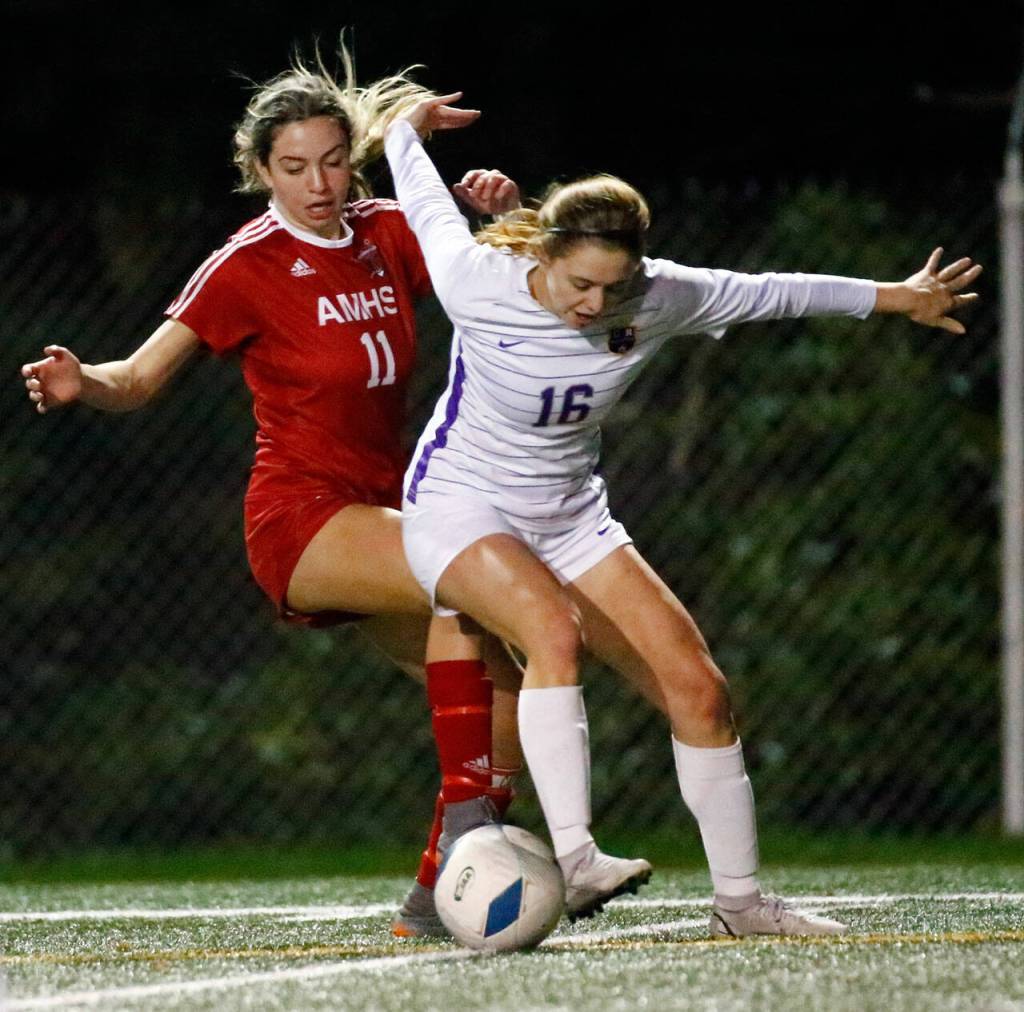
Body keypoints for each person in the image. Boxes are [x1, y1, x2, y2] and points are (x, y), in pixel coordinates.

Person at [383, 95, 982, 935]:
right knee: (552, 632)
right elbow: (421, 197)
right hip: (459, 501)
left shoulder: (658, 298)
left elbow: (774, 292)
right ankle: (578, 857)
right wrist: (407, 129)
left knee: (701, 692)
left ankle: (741, 902)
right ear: (544, 255)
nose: (595, 303)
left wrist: (897, 297)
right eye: (579, 282)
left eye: (612, 285)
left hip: (572, 515)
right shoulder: (475, 281)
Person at [19, 50, 527, 940]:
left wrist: (508, 215)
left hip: (384, 507)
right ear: (260, 171)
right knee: (467, 582)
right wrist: (82, 383)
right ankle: (483, 833)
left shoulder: (390, 231)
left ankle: (440, 889)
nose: (318, 183)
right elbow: (137, 378)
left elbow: (524, 288)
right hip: (302, 520)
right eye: (293, 167)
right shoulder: (246, 263)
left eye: (332, 160)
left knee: (510, 686)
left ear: (353, 158)